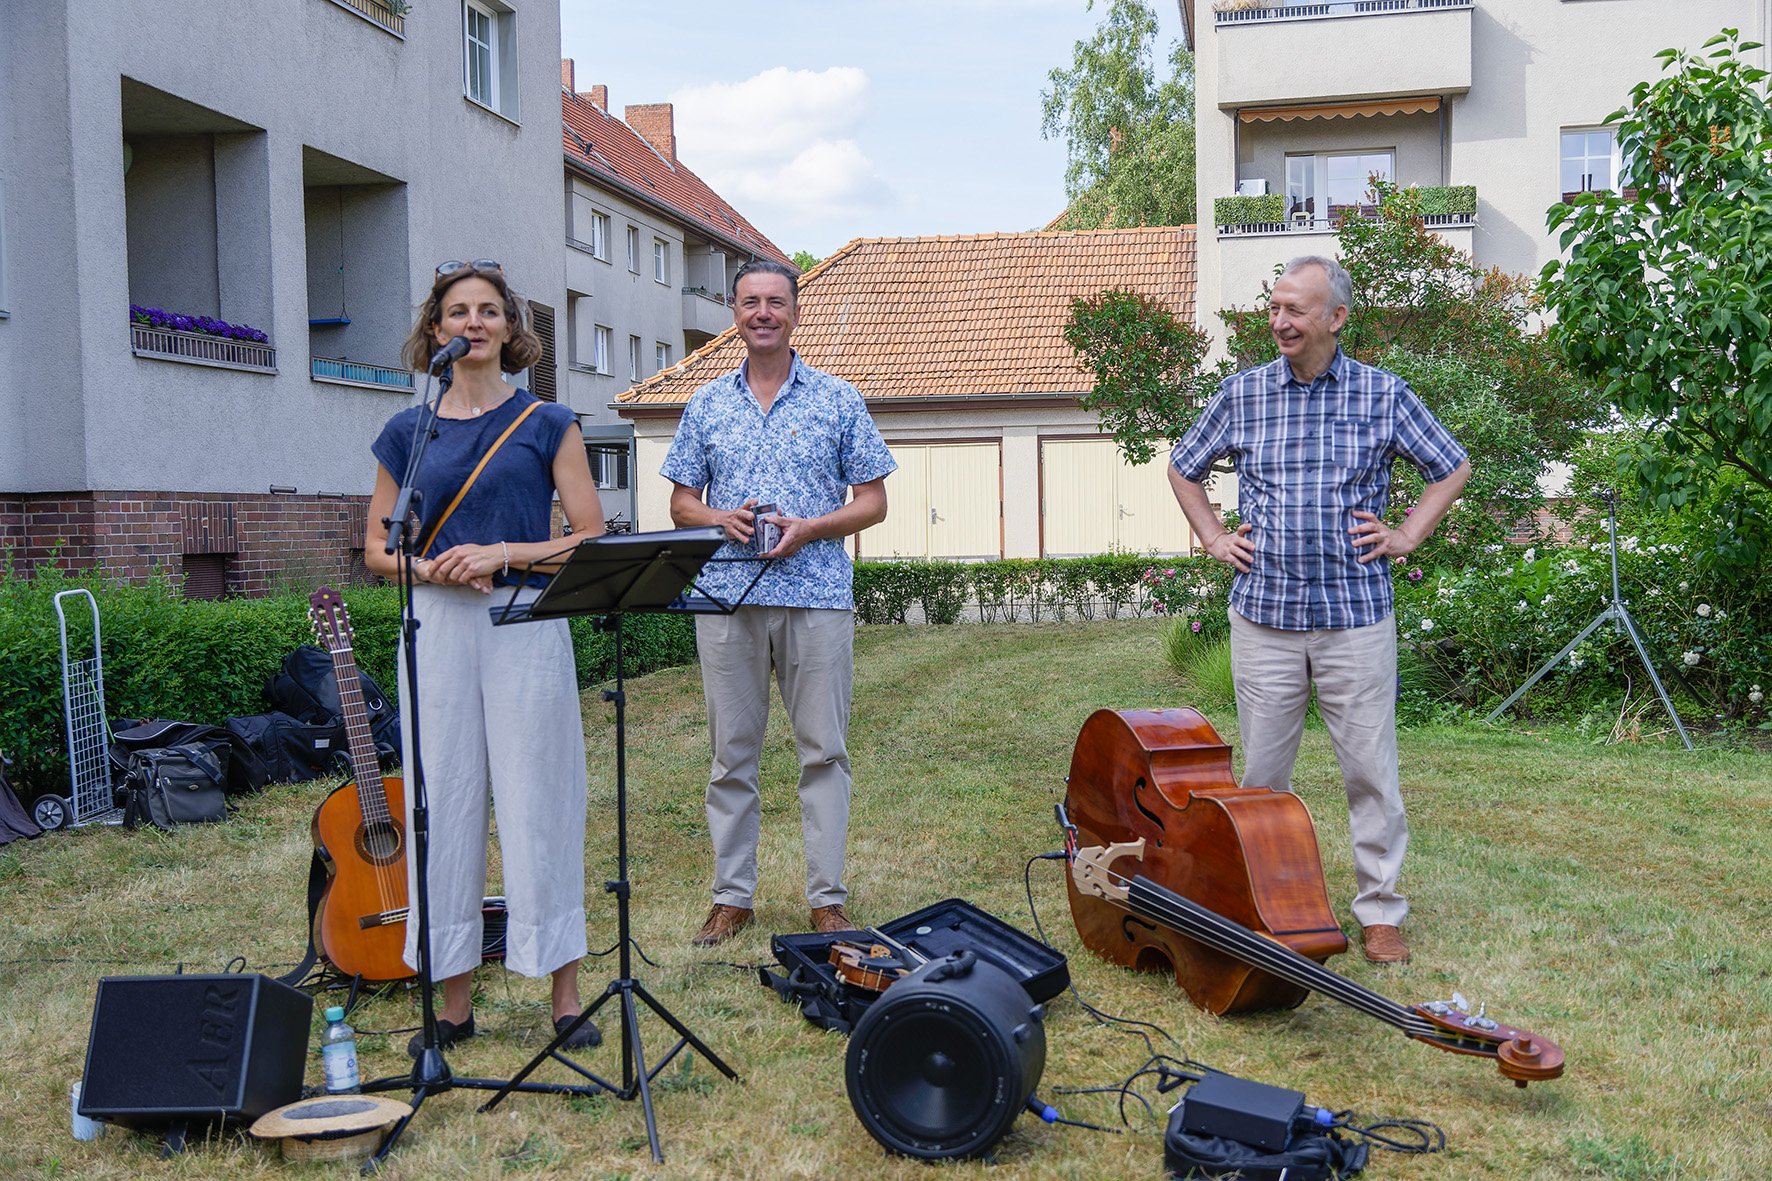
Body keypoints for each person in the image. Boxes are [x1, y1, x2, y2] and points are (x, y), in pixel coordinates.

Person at [1168, 255, 1470, 964]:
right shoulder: (1242, 395)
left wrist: (1406, 535)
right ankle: (1260, 901)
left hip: (1355, 616)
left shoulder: (1383, 393)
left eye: (1296, 310)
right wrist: (1213, 535)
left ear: (1335, 318)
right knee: (1264, 778)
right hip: (1265, 617)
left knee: (1369, 770)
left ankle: (1381, 911)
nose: (1280, 321)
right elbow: (1183, 464)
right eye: (1275, 307)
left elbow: (1450, 464)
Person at [364, 259, 605, 1051]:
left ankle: (565, 995)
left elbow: (590, 536)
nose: (474, 322)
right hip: (434, 620)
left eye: (489, 311)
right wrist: (426, 567)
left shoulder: (548, 422)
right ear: (434, 330)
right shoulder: (408, 430)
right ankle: (454, 1001)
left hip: (524, 620)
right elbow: (374, 547)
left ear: (511, 329)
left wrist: (503, 551)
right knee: (446, 801)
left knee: (540, 794)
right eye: (458, 311)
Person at [661, 258, 895, 947]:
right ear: (733, 312)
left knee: (824, 751)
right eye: (749, 302)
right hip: (726, 597)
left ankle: (826, 898)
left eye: (775, 302)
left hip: (817, 595)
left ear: (796, 312)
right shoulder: (705, 403)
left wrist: (810, 528)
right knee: (731, 755)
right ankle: (732, 896)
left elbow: (874, 501)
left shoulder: (838, 398)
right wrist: (717, 516)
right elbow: (679, 500)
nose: (762, 312)